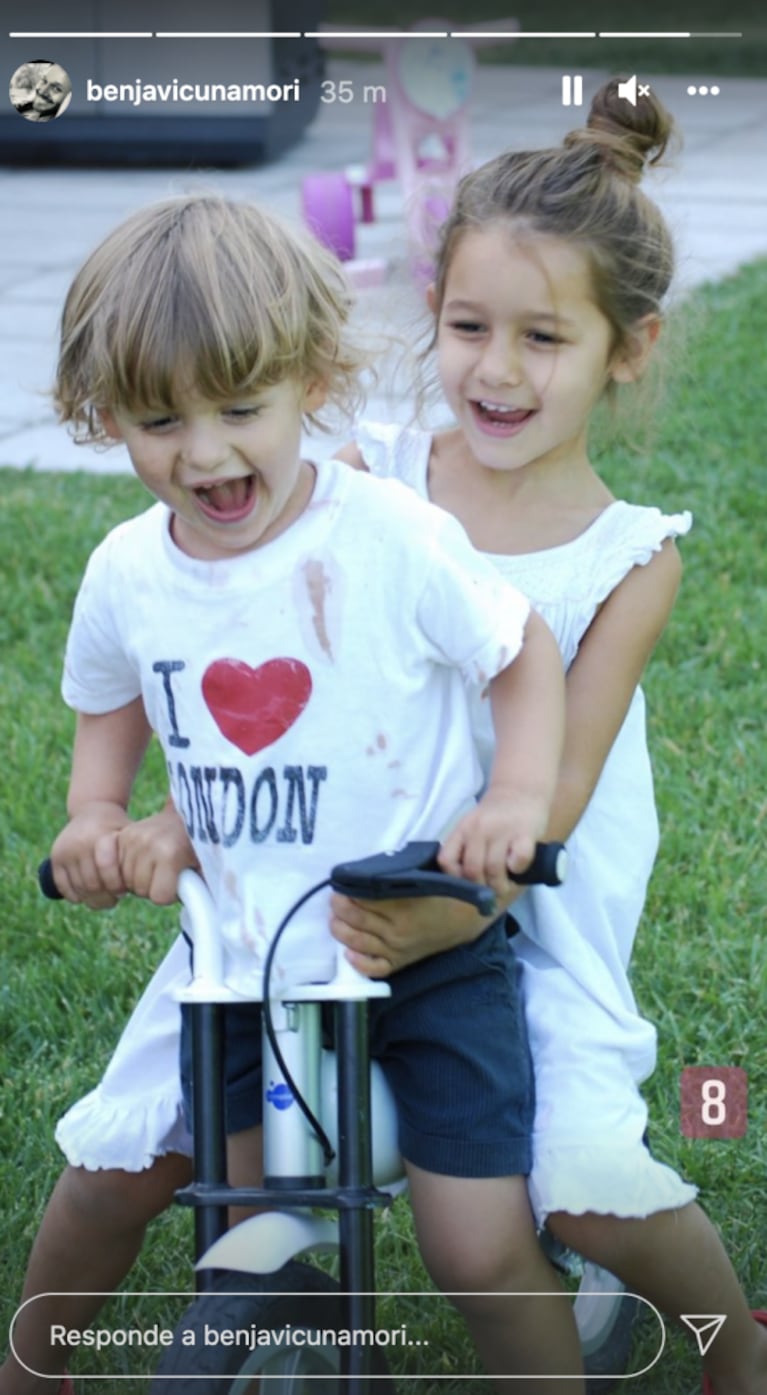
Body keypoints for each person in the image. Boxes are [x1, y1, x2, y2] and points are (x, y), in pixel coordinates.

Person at [5, 83, 766, 1395]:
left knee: (554, 1186)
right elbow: (239, 656)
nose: (493, 366)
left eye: (541, 334)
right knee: (138, 1153)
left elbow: (546, 794)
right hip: (293, 895)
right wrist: (154, 810)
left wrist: (454, 905)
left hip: (507, 903)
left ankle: (725, 1339)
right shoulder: (364, 482)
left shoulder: (608, 559)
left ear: (622, 349)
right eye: (467, 326)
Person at [2, 192, 578, 1395]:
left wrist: (515, 796)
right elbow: (108, 690)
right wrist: (98, 815)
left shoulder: (388, 538)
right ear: (105, 415)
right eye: (159, 419)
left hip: (413, 943)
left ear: (309, 379)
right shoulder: (127, 572)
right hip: (238, 953)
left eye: (239, 409)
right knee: (121, 1192)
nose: (203, 453)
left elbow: (517, 650)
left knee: (474, 1247)